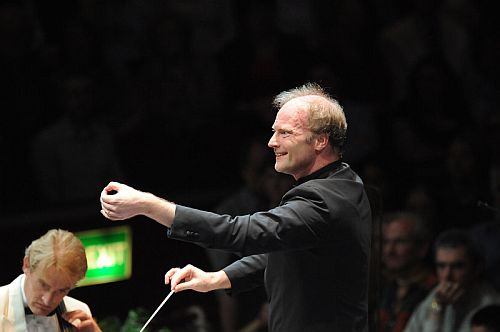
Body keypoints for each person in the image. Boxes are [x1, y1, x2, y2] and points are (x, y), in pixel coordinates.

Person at [100, 82, 372, 332]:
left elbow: (242, 232)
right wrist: (217, 278)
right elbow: (285, 252)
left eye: (285, 133)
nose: (272, 142)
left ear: (320, 140)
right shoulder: (344, 181)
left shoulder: (323, 200)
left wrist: (147, 205)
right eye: (274, 131)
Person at [0, 229, 102, 331]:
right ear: (27, 265)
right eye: (43, 285)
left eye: (61, 291)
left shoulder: (79, 311)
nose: (48, 300)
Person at [404, 229, 500, 332]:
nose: (447, 275)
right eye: (441, 266)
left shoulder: (489, 307)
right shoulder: (436, 297)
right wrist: (437, 306)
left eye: (457, 267)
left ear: (477, 269)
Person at [378, 211, 437, 332]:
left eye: (399, 241)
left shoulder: (434, 289)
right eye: (386, 242)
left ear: (422, 248)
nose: (390, 250)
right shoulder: (384, 288)